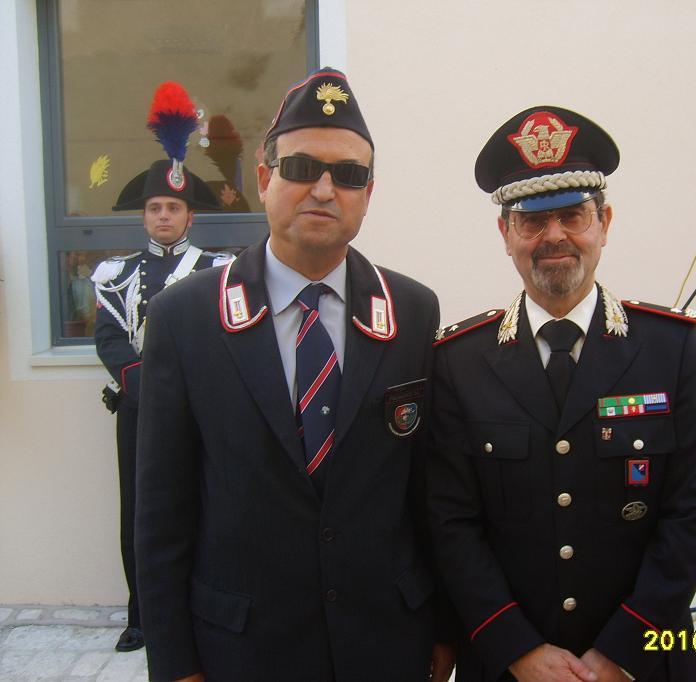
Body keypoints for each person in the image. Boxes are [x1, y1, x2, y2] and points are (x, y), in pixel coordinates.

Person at [134, 68, 454, 682]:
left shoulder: (412, 310)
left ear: (368, 193)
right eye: (303, 168)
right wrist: (174, 664)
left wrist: (443, 627)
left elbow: (427, 491)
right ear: (264, 179)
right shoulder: (185, 317)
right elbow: (161, 513)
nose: (324, 190)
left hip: (385, 642)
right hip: (244, 649)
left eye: (349, 175)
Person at [428, 106, 696, 681]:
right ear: (506, 234)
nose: (554, 236)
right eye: (533, 221)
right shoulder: (458, 362)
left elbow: (689, 515)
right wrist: (517, 650)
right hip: (508, 664)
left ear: (604, 223)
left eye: (572, 215)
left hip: (642, 660)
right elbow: (449, 523)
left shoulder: (670, 349)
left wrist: (623, 652)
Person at [93, 82, 230, 654]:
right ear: (144, 216)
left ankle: (200, 607)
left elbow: (221, 340)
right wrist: (146, 389)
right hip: (139, 408)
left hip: (198, 408)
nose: (164, 215)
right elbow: (109, 339)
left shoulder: (217, 269)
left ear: (189, 215)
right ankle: (142, 616)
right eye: (155, 208)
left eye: (173, 207)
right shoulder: (115, 275)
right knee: (140, 512)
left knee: (202, 503)